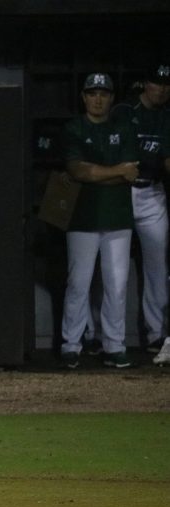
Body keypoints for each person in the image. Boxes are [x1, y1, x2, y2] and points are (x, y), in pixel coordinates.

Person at [58, 72, 140, 369]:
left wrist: (99, 174)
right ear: (83, 96)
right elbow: (78, 171)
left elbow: (131, 171)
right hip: (82, 217)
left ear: (111, 98)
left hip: (117, 216)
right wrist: (115, 172)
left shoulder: (124, 128)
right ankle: (71, 344)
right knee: (78, 282)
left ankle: (114, 345)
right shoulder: (74, 128)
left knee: (116, 284)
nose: (97, 98)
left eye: (103, 93)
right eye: (92, 93)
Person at [111, 63, 170, 357]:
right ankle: (106, 338)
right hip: (121, 192)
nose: (162, 89)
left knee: (157, 268)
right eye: (157, 83)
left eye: (167, 84)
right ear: (145, 83)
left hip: (152, 193)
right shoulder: (124, 111)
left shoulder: (167, 115)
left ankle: (156, 335)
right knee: (113, 270)